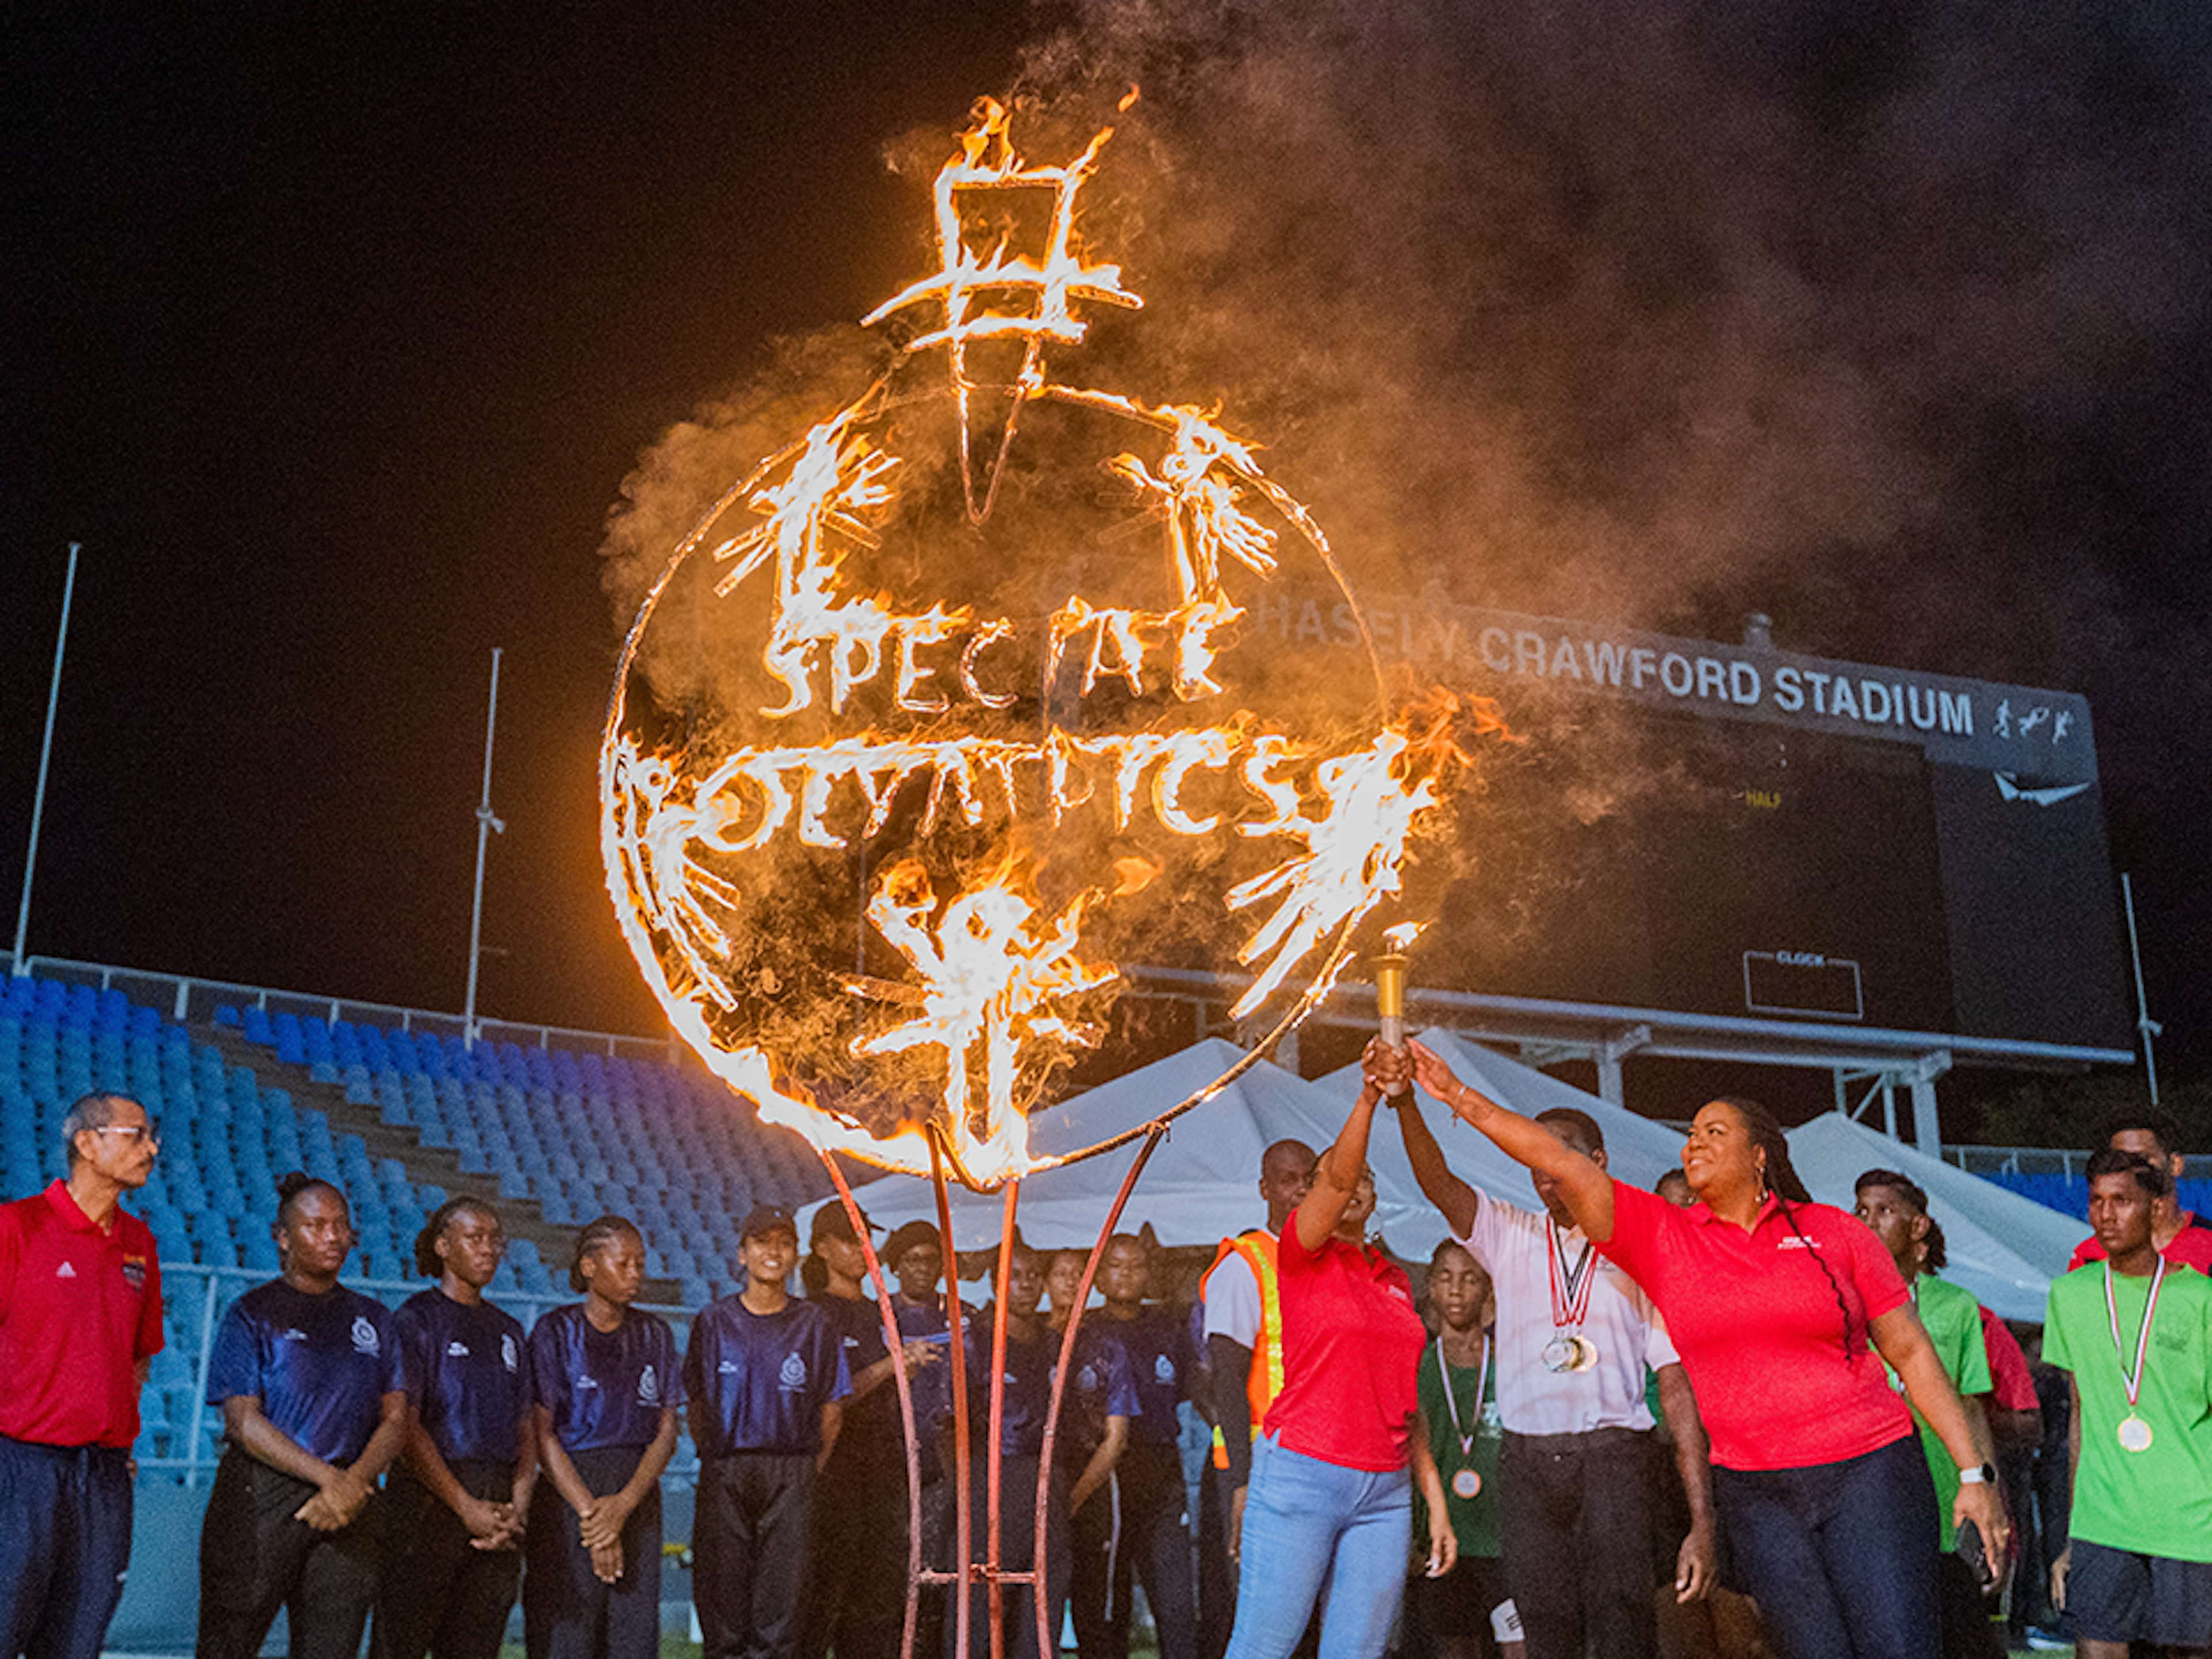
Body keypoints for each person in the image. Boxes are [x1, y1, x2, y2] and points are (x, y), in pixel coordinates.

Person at [1403, 1041, 2007, 1659]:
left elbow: (1911, 1353)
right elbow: (1557, 1157)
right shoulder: (1664, 1237)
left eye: (1714, 1131)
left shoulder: (1835, 1232)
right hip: (1757, 1490)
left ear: (1759, 1155)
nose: (1693, 1142)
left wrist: (1971, 1473)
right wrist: (1455, 1095)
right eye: (1690, 1133)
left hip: (1868, 1470)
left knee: (1899, 1648)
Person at [1384, 1055, 1714, 1659]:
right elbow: (1440, 1185)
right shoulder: (1510, 1231)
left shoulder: (1637, 1244)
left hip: (1613, 1457)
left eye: (1556, 1152)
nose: (1544, 1168)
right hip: (1528, 1461)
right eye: (1533, 1156)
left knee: (1623, 1623)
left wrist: (1702, 1517)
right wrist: (1406, 1102)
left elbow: (1674, 1382)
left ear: (1598, 1163)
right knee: (1544, 1624)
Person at [1222, 1043, 1452, 1659]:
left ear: (1376, 1199)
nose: (1354, 1187)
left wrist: (1434, 1501)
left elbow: (1409, 1404)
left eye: (1367, 1182)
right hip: (1302, 1472)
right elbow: (1337, 1177)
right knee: (1264, 1647)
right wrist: (1370, 1097)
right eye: (1341, 1179)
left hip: (1385, 1487)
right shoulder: (1300, 1255)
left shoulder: (1397, 1280)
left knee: (1359, 1652)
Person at [199, 1174, 407, 1659]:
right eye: (316, 1226)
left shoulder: (375, 1319)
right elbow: (242, 1421)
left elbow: (396, 1419)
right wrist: (326, 1479)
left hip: (350, 1501)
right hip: (262, 1495)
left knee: (332, 1647)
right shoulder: (253, 1313)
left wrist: (352, 1482)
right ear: (284, 1237)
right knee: (229, 1641)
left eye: (341, 1226)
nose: (333, 1237)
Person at [0, 1092, 164, 1659]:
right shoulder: (14, 1227)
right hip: (20, 1469)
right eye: (137, 1135)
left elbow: (140, 1355)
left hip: (103, 1477)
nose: (152, 1147)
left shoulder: (139, 1244)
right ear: (87, 1143)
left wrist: (115, 1425)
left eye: (152, 1135)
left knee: (78, 1643)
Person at [2045, 1149, 2212, 1657]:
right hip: (2104, 1518)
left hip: (2190, 1518)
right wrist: (2073, 1530)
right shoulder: (2069, 1294)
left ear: (2157, 1209)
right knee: (2096, 1649)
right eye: (2096, 1201)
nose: (2106, 1215)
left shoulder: (2200, 1296)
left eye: (2122, 1201)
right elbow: (2079, 1414)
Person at [376, 1195, 537, 1659]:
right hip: (431, 1501)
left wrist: (519, 1503)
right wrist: (464, 1504)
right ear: (444, 1246)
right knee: (402, 1642)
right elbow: (406, 1424)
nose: (488, 1249)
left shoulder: (508, 1329)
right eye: (475, 1238)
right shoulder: (415, 1320)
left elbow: (525, 1421)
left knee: (477, 1644)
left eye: (494, 1239)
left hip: (499, 1505)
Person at [685, 1205, 849, 1659]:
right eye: (762, 1241)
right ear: (742, 1254)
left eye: (784, 1242)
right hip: (727, 1468)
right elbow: (696, 1404)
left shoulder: (814, 1323)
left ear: (796, 1255)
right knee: (723, 1611)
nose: (773, 1252)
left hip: (792, 1471)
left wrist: (804, 1471)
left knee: (782, 1615)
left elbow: (832, 1408)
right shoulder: (713, 1321)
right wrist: (716, 1458)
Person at [1851, 1171, 2001, 1659]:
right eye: (1862, 1211)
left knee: (1957, 1638)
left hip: (1944, 1498)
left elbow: (1972, 1408)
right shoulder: (1844, 1302)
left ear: (1919, 1227)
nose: (1869, 1222)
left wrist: (1991, 1496)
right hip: (1870, 1497)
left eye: (1884, 1211)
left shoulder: (1956, 1306)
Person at [525, 1215, 682, 1659]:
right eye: (624, 1263)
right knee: (566, 1637)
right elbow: (543, 1433)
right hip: (570, 1493)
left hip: (636, 1493)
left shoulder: (655, 1334)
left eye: (640, 1263)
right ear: (590, 1266)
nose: (635, 1274)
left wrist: (625, 1504)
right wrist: (594, 1518)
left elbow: (667, 1430)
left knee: (632, 1638)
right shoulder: (555, 1332)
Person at [797, 1201, 918, 1659]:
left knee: (879, 1601)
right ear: (823, 1248)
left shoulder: (880, 1311)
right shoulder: (811, 1315)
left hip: (883, 1470)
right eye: (852, 1239)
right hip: (835, 1469)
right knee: (824, 1594)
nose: (864, 1249)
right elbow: (834, 1396)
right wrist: (894, 1366)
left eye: (868, 1237)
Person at [1071, 1234, 1195, 1659]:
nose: (1126, 1275)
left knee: (1177, 1602)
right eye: (1116, 1266)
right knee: (1109, 1602)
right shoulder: (1082, 1330)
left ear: (1149, 1273)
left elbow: (1191, 1390)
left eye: (1136, 1266)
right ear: (1100, 1275)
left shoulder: (1167, 1327)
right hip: (1108, 1478)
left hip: (1160, 1473)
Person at [947, 1239, 1070, 1659]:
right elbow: (950, 1421)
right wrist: (965, 1489)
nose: (1026, 1284)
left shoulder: (1055, 1343)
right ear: (997, 1283)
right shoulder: (978, 1342)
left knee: (1041, 1600)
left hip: (1044, 1481)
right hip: (990, 1480)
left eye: (1034, 1275)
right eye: (1015, 1276)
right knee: (982, 1601)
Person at [1404, 1240, 1518, 1659]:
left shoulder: (1509, 1359)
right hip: (1442, 1536)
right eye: (1446, 1278)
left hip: (1503, 1536)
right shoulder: (1416, 1364)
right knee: (1455, 1646)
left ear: (1487, 1289)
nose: (1456, 1290)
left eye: (1469, 1279)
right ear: (1431, 1286)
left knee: (1518, 1643)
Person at [2064, 1111, 2212, 1275]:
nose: (2131, 1169)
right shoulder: (2090, 1256)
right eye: (2120, 1160)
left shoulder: (2208, 1246)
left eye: (2143, 1158)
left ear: (2175, 1165)